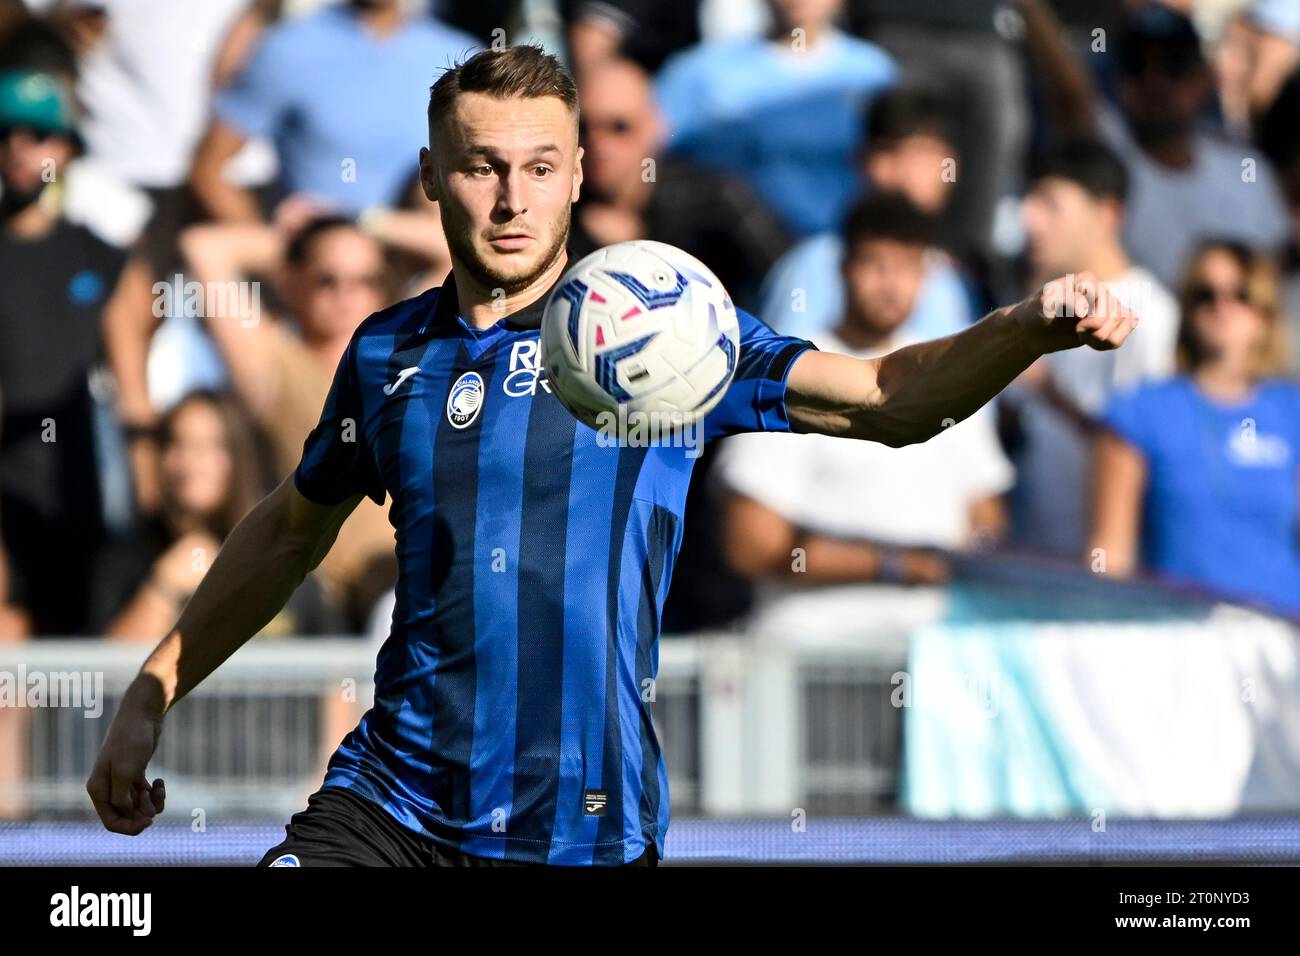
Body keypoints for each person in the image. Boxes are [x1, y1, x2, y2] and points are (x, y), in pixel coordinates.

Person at [87, 45, 1136, 867]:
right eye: (481, 167)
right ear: (428, 177)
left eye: (540, 168)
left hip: (583, 827)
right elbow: (287, 528)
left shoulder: (672, 336)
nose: (510, 199)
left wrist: (1026, 325)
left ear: (579, 173)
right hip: (391, 804)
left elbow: (886, 398)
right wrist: (155, 687)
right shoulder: (387, 351)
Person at [715, 193, 1014, 633]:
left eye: (909, 267)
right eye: (876, 264)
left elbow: (986, 515)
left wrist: (965, 561)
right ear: (842, 268)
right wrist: (897, 566)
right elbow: (750, 543)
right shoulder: (790, 370)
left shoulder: (951, 370)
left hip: (934, 663)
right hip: (810, 659)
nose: (891, 285)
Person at [175, 216, 399, 628]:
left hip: (414, 580)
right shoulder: (276, 363)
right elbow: (204, 245)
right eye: (327, 279)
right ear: (293, 282)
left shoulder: (409, 352)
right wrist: (303, 237)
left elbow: (450, 250)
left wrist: (366, 223)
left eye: (366, 279)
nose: (348, 294)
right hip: (332, 605)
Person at [0, 67, 156, 635]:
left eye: (36, 134)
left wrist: (148, 505)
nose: (19, 148)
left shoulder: (103, 256)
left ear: (64, 149)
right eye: (6, 134)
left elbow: (133, 394)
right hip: (7, 504)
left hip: (88, 495)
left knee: (87, 670)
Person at [1091, 241, 1300, 617]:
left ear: (1265, 313)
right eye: (1205, 294)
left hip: (1282, 640)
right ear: (1186, 308)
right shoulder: (1140, 410)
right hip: (1181, 638)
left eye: (1241, 294)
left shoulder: (1291, 411)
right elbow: (1110, 555)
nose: (1222, 307)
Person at [1007, 139, 1180, 556]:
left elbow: (1145, 453)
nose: (1030, 219)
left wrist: (1050, 394)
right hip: (1031, 558)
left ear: (1107, 214)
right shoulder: (1035, 304)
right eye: (1029, 200)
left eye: (1050, 203)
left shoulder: (1151, 314)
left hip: (1106, 578)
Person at [190, 0, 479, 222]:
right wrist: (280, 260)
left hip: (427, 275)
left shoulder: (458, 55)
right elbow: (209, 168)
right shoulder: (289, 47)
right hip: (321, 281)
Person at [104, 391, 344, 641]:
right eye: (177, 442)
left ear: (239, 457)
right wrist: (163, 587)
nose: (191, 460)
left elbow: (335, 670)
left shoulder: (282, 557)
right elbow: (100, 670)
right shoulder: (129, 558)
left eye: (211, 445)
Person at [653, 0, 896, 236]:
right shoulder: (700, 72)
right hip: (735, 250)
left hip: (847, 245)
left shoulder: (873, 73)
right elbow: (644, 147)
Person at [567, 56, 789, 311]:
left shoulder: (716, 201)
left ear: (656, 127)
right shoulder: (556, 216)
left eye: (619, 127)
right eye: (583, 128)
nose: (599, 144)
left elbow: (789, 273)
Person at [756, 86, 977, 342]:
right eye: (890, 152)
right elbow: (781, 372)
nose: (906, 171)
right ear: (861, 161)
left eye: (923, 153)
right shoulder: (816, 264)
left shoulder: (955, 275)